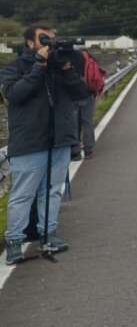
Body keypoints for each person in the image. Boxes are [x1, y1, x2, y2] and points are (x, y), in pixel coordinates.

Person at [1, 25, 90, 264]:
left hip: (59, 140)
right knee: (22, 194)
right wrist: (38, 66)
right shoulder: (15, 68)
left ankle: (48, 232)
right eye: (44, 39)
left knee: (51, 191)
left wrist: (66, 68)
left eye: (53, 39)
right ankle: (14, 241)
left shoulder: (61, 65)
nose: (51, 43)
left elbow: (82, 92)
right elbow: (15, 95)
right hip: (29, 142)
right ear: (30, 43)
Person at [70, 50, 103, 161]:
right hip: (87, 94)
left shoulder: (69, 59)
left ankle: (76, 152)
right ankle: (88, 150)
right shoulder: (89, 59)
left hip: (72, 97)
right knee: (87, 123)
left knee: (74, 125)